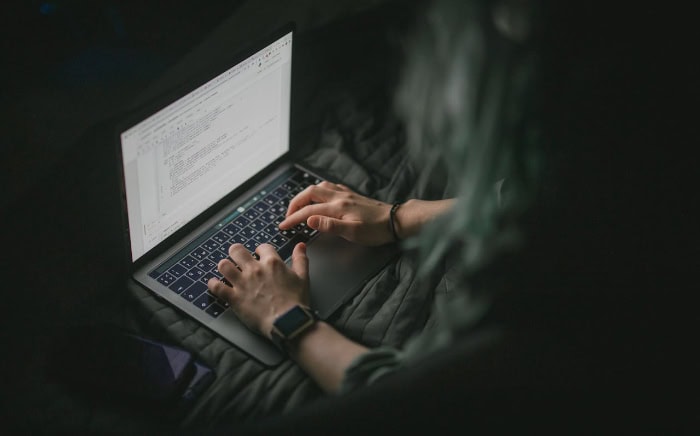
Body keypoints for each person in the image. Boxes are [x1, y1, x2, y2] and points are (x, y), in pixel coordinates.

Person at [207, 0, 544, 396]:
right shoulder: (595, 154)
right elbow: (531, 194)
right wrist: (399, 217)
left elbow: (420, 407)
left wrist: (285, 317)